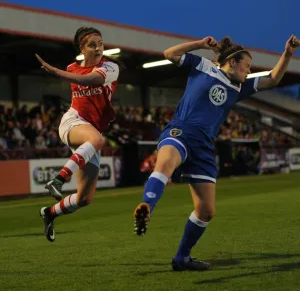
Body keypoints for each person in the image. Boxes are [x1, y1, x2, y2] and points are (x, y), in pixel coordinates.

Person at [133, 35, 300, 271]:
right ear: (232, 62)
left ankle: (182, 258)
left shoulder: (239, 87)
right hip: (182, 130)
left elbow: (272, 79)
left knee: (206, 211)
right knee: (165, 166)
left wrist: (288, 54)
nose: (249, 70)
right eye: (247, 66)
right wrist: (200, 45)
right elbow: (170, 54)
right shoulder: (203, 66)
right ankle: (147, 206)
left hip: (204, 146)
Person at [36, 27, 121, 242]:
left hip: (91, 131)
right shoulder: (72, 67)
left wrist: (55, 72)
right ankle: (58, 180)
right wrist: (60, 71)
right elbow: (80, 78)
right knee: (97, 140)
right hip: (73, 122)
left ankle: (49, 213)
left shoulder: (110, 67)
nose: (98, 48)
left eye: (100, 43)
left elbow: (88, 80)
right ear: (82, 48)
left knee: (85, 198)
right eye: (92, 44)